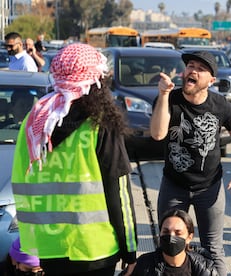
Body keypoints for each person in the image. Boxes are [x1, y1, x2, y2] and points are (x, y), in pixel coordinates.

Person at [11, 43, 138, 276]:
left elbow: (22, 178)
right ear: (95, 79)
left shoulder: (34, 121)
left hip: (49, 247)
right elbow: (118, 191)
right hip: (95, 248)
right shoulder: (100, 123)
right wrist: (130, 249)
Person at [150, 51, 231, 276]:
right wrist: (164, 95)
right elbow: (157, 134)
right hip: (174, 186)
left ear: (211, 80)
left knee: (213, 249)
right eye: (190, 66)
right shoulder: (170, 99)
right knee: (169, 244)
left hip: (209, 188)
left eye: (201, 69)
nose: (192, 71)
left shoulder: (221, 105)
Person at [129, 209, 218, 275]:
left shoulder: (205, 269)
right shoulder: (144, 265)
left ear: (189, 237)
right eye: (166, 232)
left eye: (178, 233)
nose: (171, 237)